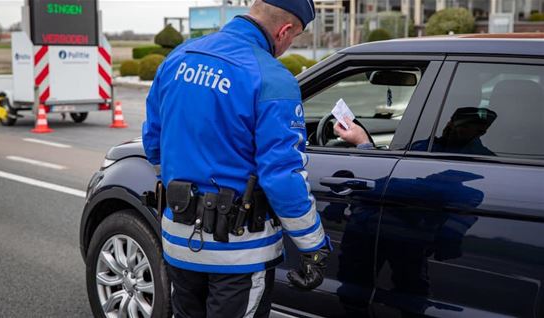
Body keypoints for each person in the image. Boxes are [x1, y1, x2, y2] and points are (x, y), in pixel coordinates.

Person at [142, 1, 331, 317]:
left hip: (178, 240)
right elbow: (282, 176)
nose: (288, 46)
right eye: (293, 38)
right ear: (284, 30)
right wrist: (313, 245)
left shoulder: (179, 57)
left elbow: (154, 141)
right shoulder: (271, 77)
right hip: (239, 254)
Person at [335, 107, 497, 156]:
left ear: (481, 132)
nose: (452, 127)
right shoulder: (423, 146)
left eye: (464, 126)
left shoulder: (479, 160)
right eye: (454, 122)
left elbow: (382, 181)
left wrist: (363, 143)